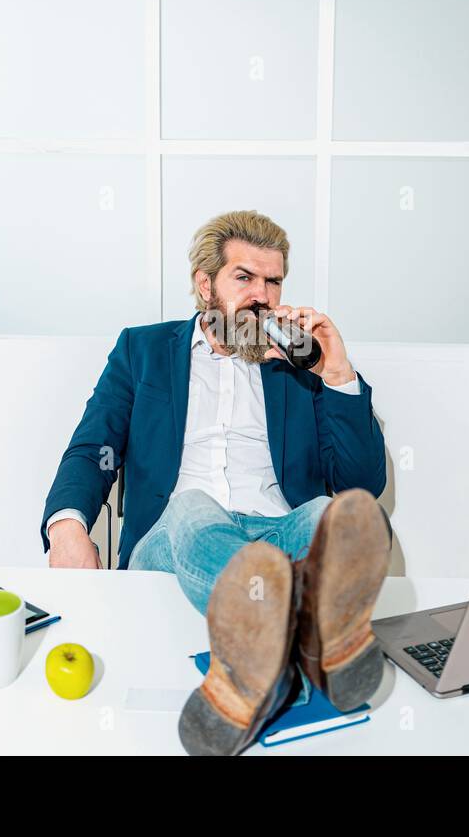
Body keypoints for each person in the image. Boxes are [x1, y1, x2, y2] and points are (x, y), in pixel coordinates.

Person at [42, 210, 390, 755]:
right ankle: (312, 641)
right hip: (176, 543)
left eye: (273, 281)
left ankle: (256, 660)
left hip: (278, 540)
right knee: (193, 508)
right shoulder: (144, 351)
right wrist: (67, 528)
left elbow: (361, 487)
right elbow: (93, 449)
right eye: (244, 278)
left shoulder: (302, 366)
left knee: (335, 516)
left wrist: (338, 372)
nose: (262, 295)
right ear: (205, 284)